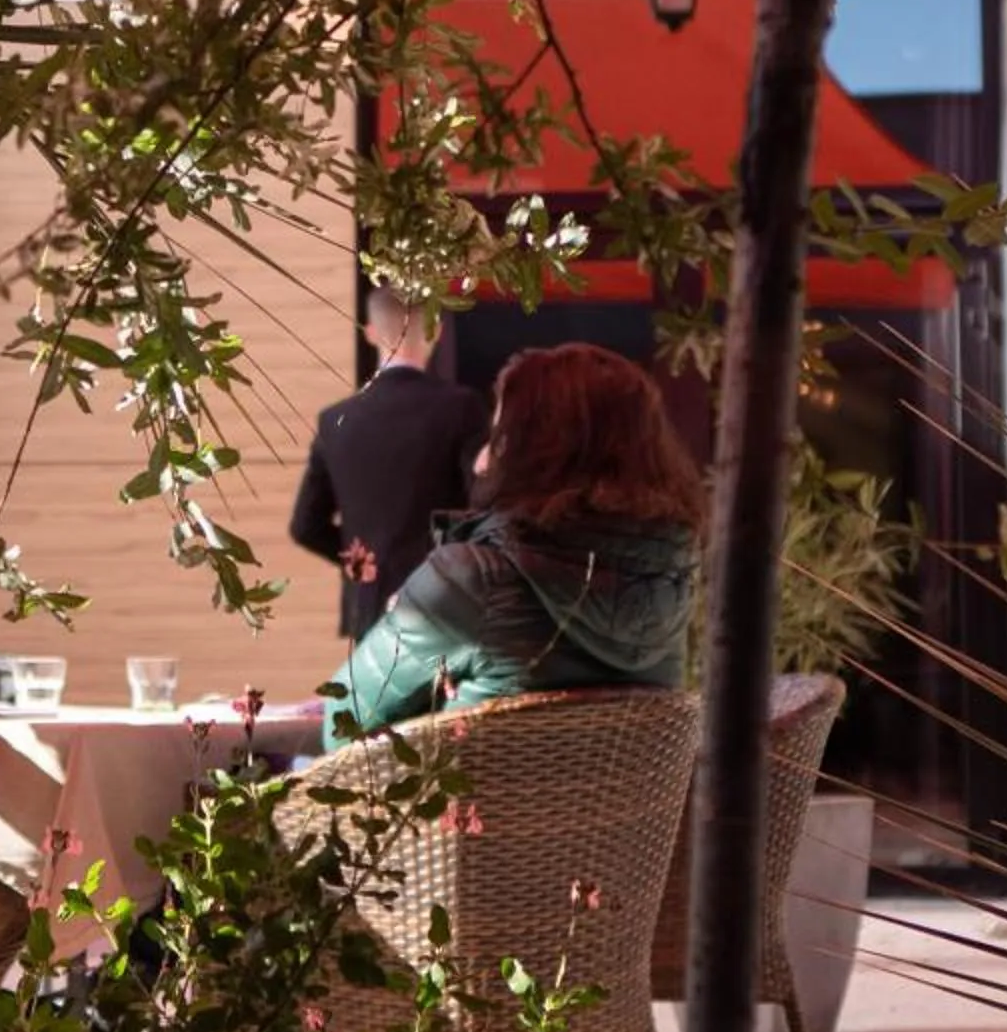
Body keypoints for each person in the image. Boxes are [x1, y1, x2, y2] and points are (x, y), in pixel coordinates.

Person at [320, 342, 703, 747]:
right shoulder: (671, 577)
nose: (481, 461)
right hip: (632, 810)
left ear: (535, 455)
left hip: (477, 811)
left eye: (498, 438)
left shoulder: (470, 579)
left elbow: (343, 721)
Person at [289, 286, 489, 641]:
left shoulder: (337, 420)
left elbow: (305, 525)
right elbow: (483, 502)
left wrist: (362, 564)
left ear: (369, 332)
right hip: (443, 600)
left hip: (368, 604)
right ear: (435, 331)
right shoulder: (462, 408)